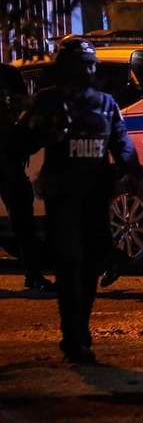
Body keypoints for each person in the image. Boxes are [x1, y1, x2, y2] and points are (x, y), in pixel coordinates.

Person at [15, 38, 139, 363]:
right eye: (83, 64)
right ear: (67, 67)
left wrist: (131, 169)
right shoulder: (48, 101)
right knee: (70, 266)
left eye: (92, 64)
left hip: (95, 197)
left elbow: (121, 142)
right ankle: (72, 336)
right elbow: (21, 140)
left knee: (91, 266)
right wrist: (43, 135)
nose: (90, 70)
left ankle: (80, 331)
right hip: (64, 198)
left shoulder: (105, 103)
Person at [0, 63, 54, 291]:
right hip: (7, 158)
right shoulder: (8, 75)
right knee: (22, 218)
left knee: (22, 217)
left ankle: (33, 273)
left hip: (7, 157)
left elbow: (23, 114)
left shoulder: (8, 74)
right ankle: (32, 274)